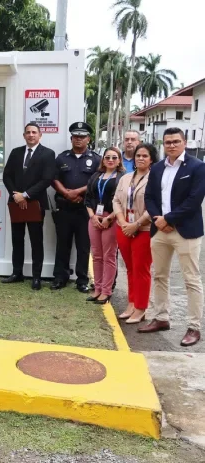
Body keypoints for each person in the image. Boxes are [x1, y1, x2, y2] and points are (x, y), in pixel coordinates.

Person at [140, 128, 205, 347]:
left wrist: (168, 219)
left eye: (176, 141)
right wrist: (159, 219)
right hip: (160, 231)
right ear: (163, 144)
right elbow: (149, 196)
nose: (171, 145)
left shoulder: (197, 167)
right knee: (159, 276)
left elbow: (194, 200)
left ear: (184, 143)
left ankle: (194, 327)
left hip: (185, 231)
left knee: (191, 280)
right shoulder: (157, 168)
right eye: (167, 142)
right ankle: (161, 318)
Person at [1, 122, 56, 290]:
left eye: (34, 132)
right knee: (17, 239)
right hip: (16, 202)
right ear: (24, 135)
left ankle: (36, 277)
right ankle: (17, 273)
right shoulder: (16, 152)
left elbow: (47, 179)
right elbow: (6, 176)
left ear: (40, 135)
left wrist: (25, 195)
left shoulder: (48, 154)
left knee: (36, 240)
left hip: (35, 203)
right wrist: (16, 195)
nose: (31, 135)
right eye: (28, 132)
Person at [51, 122, 102, 292]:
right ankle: (60, 277)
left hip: (84, 210)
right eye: (76, 136)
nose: (78, 139)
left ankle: (82, 280)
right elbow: (54, 178)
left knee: (83, 246)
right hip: (64, 208)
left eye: (82, 136)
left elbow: (97, 181)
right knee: (62, 244)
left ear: (89, 139)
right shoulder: (62, 157)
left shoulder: (96, 159)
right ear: (71, 138)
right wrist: (66, 193)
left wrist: (78, 192)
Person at [113, 143, 158, 324]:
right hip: (123, 227)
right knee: (130, 268)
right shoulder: (126, 178)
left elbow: (155, 206)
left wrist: (137, 224)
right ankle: (131, 304)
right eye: (138, 155)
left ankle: (141, 308)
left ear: (151, 159)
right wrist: (123, 222)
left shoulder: (155, 179)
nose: (140, 158)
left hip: (144, 230)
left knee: (141, 270)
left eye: (145, 156)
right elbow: (116, 200)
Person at [84, 147, 124, 304]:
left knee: (109, 255)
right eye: (107, 157)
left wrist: (110, 218)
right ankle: (98, 288)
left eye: (114, 157)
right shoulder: (96, 176)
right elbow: (88, 198)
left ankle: (106, 291)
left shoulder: (122, 178)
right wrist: (93, 216)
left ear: (119, 160)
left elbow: (122, 202)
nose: (111, 160)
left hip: (111, 219)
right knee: (97, 255)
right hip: (94, 218)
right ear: (103, 160)